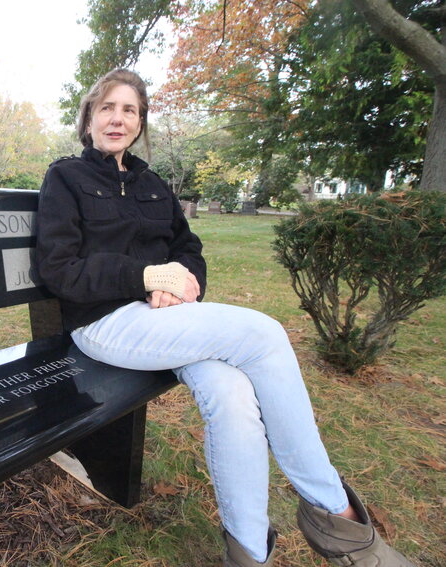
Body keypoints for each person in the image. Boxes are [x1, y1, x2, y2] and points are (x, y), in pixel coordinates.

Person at [34, 68, 415, 567]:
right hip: (104, 323)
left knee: (232, 395)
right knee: (265, 334)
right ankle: (336, 514)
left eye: (129, 110)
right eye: (107, 108)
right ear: (88, 120)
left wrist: (181, 283)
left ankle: (249, 552)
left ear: (140, 122)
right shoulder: (66, 178)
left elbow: (187, 248)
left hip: (166, 320)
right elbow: (60, 271)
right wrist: (148, 277)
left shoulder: (153, 185)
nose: (117, 118)